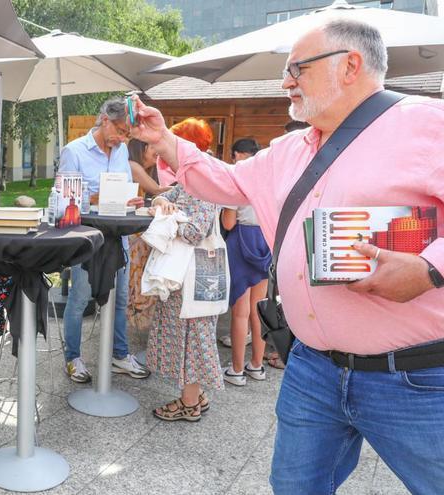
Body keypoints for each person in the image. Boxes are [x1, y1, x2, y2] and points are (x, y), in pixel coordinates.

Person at [130, 19, 444, 493]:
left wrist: (430, 269)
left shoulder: (426, 122)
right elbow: (227, 183)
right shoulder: (289, 148)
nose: (285, 82)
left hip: (416, 380)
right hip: (312, 369)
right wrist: (168, 143)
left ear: (350, 66)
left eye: (297, 68)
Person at [58, 97, 149, 383]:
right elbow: (64, 201)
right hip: (87, 238)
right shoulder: (74, 151)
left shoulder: (120, 151)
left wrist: (131, 199)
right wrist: (93, 197)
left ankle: (119, 355)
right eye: (120, 130)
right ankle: (73, 357)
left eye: (127, 135)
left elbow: (121, 189)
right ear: (104, 119)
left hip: (117, 236)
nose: (122, 139)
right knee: (80, 298)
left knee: (120, 298)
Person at [144, 118, 224, 422]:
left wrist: (169, 217)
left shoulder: (202, 181)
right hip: (196, 273)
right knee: (192, 333)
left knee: (192, 335)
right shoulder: (194, 177)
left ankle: (189, 403)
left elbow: (195, 230)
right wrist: (163, 201)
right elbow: (164, 196)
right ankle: (195, 395)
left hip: (193, 274)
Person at [218, 138, 271, 386]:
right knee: (258, 310)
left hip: (241, 241)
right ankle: (257, 366)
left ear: (238, 155)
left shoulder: (238, 180)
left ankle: (237, 369)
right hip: (264, 241)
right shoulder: (269, 179)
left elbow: (228, 223)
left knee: (240, 312)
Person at [126, 139, 170, 331]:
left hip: (139, 230)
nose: (158, 152)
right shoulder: (133, 166)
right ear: (143, 148)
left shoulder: (146, 169)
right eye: (154, 148)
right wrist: (186, 186)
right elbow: (157, 190)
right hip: (133, 233)